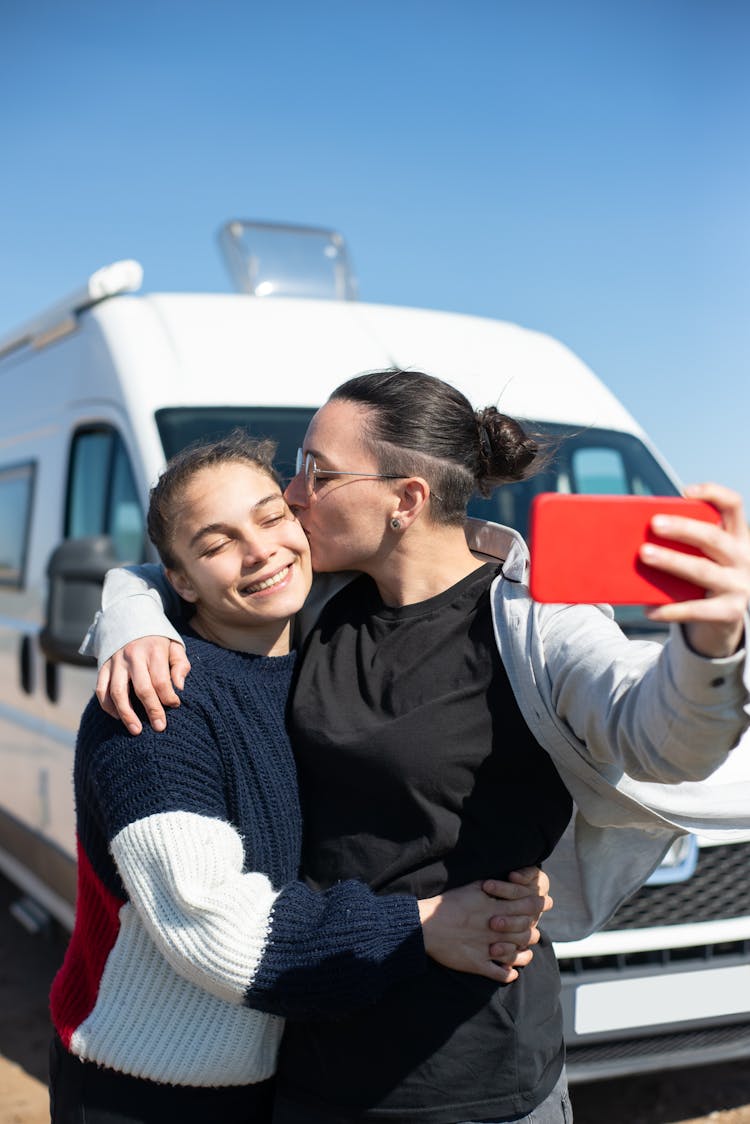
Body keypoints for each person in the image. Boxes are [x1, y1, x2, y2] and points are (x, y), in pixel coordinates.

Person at [87, 369, 750, 1124]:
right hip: (309, 1057)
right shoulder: (323, 600)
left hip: (474, 1073)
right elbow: (173, 572)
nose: (294, 495)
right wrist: (132, 618)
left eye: (318, 472)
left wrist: (709, 645)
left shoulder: (538, 624)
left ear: (405, 500)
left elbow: (661, 738)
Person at [50, 431, 552, 1124]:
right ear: (183, 581)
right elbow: (216, 928)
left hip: (275, 1071)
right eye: (216, 542)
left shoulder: (319, 654)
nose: (260, 550)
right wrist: (423, 926)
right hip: (146, 1083)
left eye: (269, 516)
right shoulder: (155, 707)